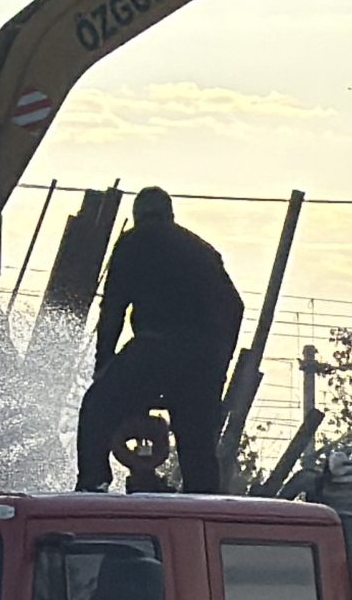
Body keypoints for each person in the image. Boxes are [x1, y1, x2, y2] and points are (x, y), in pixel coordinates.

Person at [74, 187, 245, 494]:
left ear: (138, 216)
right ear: (170, 215)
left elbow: (112, 308)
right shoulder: (202, 250)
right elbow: (236, 307)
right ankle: (205, 502)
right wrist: (220, 363)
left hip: (155, 347)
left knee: (96, 408)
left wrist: (104, 366)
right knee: (197, 442)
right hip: (203, 360)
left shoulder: (133, 242)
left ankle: (93, 484)